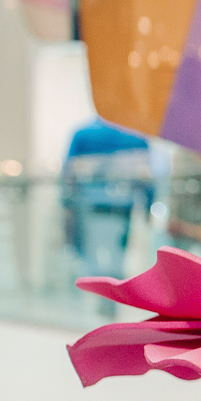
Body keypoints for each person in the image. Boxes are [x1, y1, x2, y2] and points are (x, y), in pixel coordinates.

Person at [63, 119, 153, 283]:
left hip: (90, 207)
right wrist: (148, 207)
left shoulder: (83, 134)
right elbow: (146, 179)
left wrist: (66, 205)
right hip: (122, 207)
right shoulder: (136, 136)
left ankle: (98, 293)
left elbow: (68, 176)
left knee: (91, 261)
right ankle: (112, 294)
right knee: (118, 259)